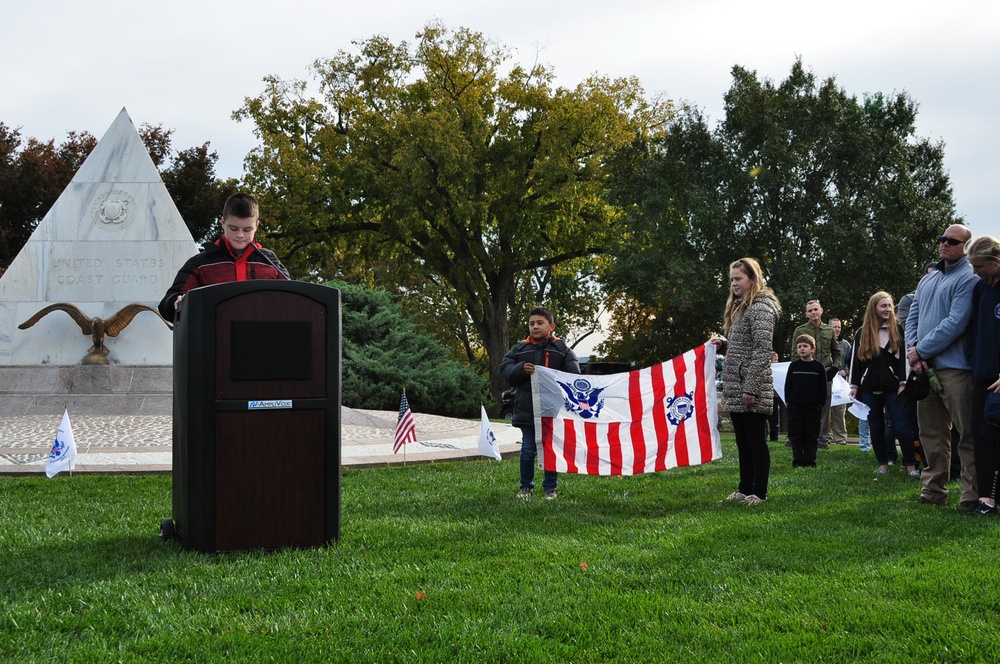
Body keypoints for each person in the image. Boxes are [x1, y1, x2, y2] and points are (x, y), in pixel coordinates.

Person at [905, 224, 978, 508]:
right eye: (943, 239)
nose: (945, 244)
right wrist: (915, 352)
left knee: (967, 434)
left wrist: (921, 349)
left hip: (956, 369)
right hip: (924, 369)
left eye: (953, 241)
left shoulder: (969, 278)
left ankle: (972, 495)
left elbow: (956, 323)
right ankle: (932, 493)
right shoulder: (928, 280)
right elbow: (912, 317)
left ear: (966, 248)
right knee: (931, 435)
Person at [713, 257, 781, 505]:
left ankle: (759, 493)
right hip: (737, 386)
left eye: (738, 278)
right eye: (731, 279)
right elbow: (743, 347)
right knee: (743, 443)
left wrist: (751, 387)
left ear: (753, 279)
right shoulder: (741, 307)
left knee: (756, 442)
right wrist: (724, 345)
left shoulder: (761, 307)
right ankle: (744, 489)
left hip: (752, 386)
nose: (734, 283)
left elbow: (763, 351)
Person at [158, 193, 289, 320]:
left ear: (257, 226)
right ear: (222, 223)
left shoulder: (270, 263)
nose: (240, 235)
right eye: (233, 228)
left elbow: (295, 299)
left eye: (247, 230)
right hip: (214, 339)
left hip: (264, 338)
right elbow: (167, 304)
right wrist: (177, 301)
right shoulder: (201, 263)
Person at [501, 307, 580, 500]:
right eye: (531, 323)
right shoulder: (520, 349)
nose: (535, 327)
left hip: (552, 410)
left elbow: (574, 375)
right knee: (528, 448)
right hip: (527, 409)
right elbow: (505, 370)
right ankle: (526, 487)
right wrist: (520, 369)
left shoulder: (561, 349)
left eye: (539, 323)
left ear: (551, 326)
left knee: (550, 448)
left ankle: (550, 488)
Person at [849, 292, 918, 476]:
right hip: (869, 388)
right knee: (875, 426)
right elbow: (856, 362)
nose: (887, 309)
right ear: (874, 308)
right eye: (883, 306)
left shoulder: (898, 329)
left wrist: (903, 383)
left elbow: (904, 358)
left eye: (889, 305)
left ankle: (911, 466)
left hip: (894, 387)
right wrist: (854, 386)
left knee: (901, 426)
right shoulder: (861, 332)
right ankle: (883, 464)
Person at [965, 236, 1000, 515]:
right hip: (982, 376)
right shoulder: (980, 289)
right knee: (981, 435)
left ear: (995, 262)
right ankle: (986, 499)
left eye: (979, 266)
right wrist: (974, 362)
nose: (975, 272)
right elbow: (974, 330)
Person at [790, 300, 841, 448]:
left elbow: (837, 353)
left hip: (825, 374)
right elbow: (794, 354)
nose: (813, 313)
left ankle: (822, 440)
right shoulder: (800, 330)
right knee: (803, 407)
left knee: (824, 408)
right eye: (810, 310)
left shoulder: (829, 330)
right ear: (806, 314)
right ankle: (800, 437)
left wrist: (835, 369)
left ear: (821, 310)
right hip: (806, 375)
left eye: (815, 310)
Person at [784, 335, 826, 468]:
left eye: (805, 346)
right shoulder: (794, 366)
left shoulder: (819, 367)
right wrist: (788, 400)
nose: (802, 349)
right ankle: (798, 461)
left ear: (812, 349)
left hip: (813, 407)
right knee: (796, 434)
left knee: (811, 435)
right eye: (799, 347)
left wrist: (820, 403)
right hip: (796, 406)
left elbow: (823, 387)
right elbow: (788, 385)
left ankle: (809, 461)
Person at [829, 318, 851, 444]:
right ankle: (826, 437)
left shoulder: (845, 345)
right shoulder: (824, 342)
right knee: (825, 411)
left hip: (841, 383)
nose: (837, 329)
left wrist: (845, 371)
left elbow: (851, 362)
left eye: (838, 327)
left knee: (839, 411)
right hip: (827, 380)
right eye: (834, 327)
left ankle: (841, 439)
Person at [768, 351, 782, 442]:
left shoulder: (778, 371)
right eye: (774, 360)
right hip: (767, 397)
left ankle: (774, 437)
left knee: (774, 419)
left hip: (775, 397)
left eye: (777, 360)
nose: (776, 362)